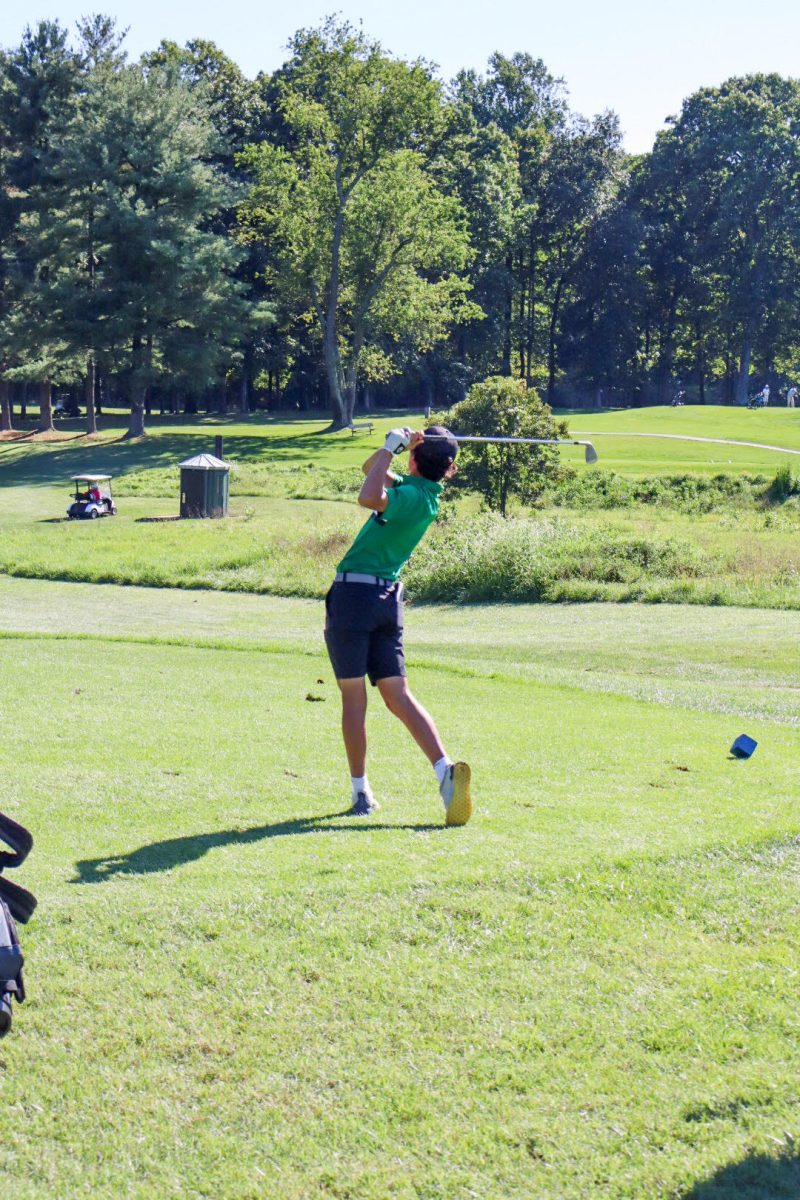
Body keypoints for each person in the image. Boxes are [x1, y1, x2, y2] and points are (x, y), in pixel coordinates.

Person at [324, 426, 472, 825]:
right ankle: (444, 773)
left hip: (354, 598)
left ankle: (361, 792)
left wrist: (395, 446)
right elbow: (369, 468)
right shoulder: (424, 495)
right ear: (449, 469)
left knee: (354, 698)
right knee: (398, 696)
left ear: (414, 460)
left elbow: (367, 495)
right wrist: (393, 448)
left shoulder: (406, 498)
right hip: (386, 601)